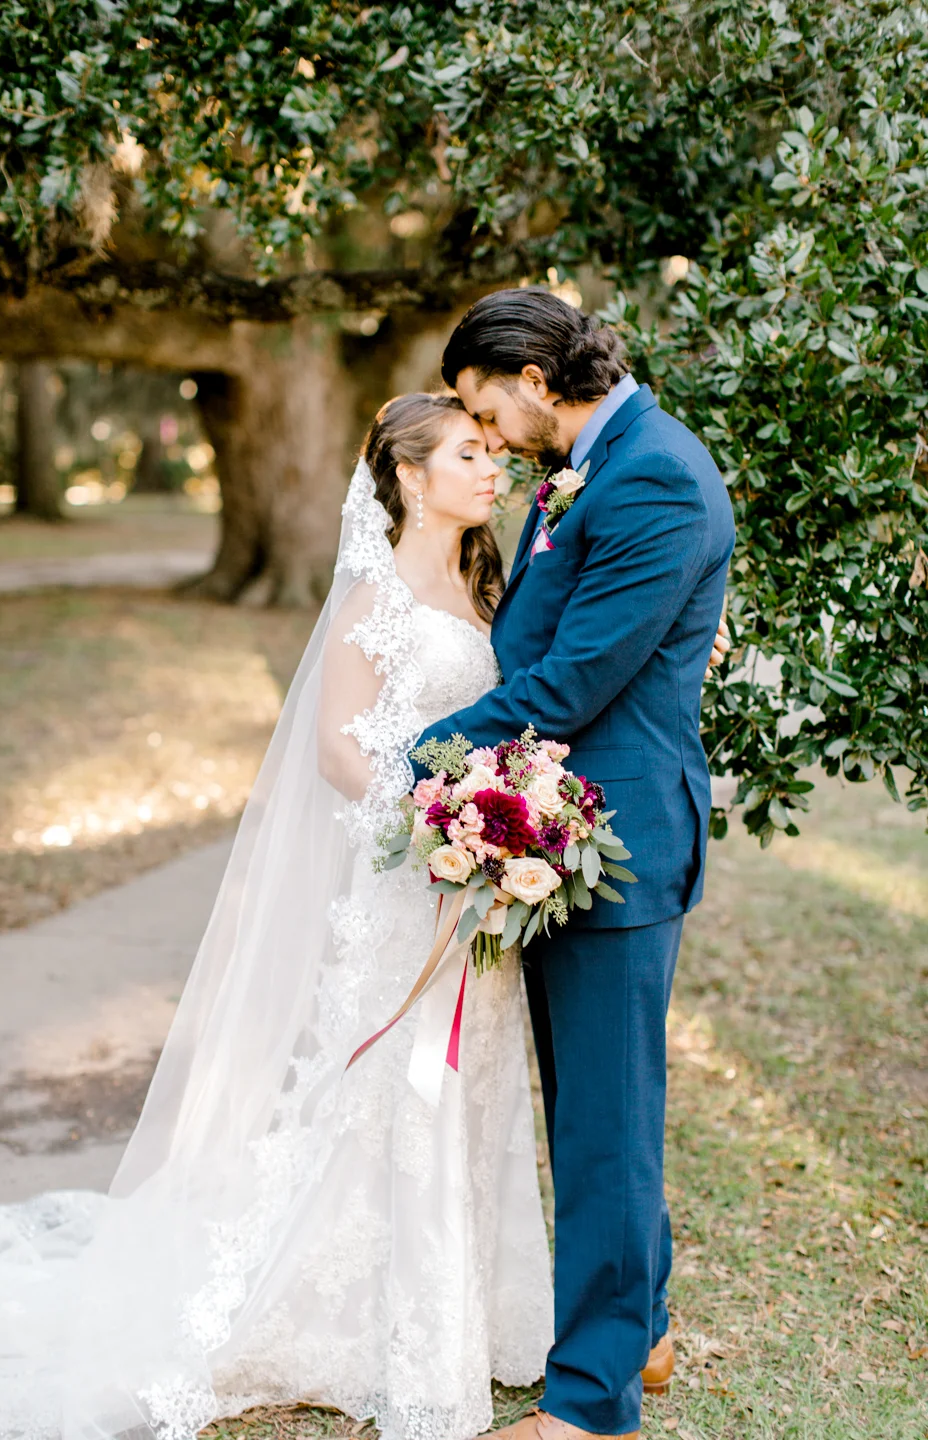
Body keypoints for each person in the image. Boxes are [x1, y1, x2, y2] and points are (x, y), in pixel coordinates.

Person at [0, 386, 729, 1440]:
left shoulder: (492, 587)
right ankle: (365, 1317)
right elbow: (338, 749)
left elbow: (570, 661)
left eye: (492, 450)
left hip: (478, 889)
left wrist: (679, 636)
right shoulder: (373, 597)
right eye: (468, 453)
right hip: (413, 885)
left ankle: (470, 1312)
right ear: (410, 476)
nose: (494, 468)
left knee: (473, 1096)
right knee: (391, 1094)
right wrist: (445, 823)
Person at [410, 288, 736, 1440]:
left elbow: (573, 681)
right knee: (603, 1114)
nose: (484, 431)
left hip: (616, 843)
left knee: (604, 1130)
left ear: (536, 382)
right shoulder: (597, 463)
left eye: (483, 405)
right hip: (562, 834)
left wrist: (422, 756)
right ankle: (639, 1331)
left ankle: (589, 1406)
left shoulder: (653, 477)